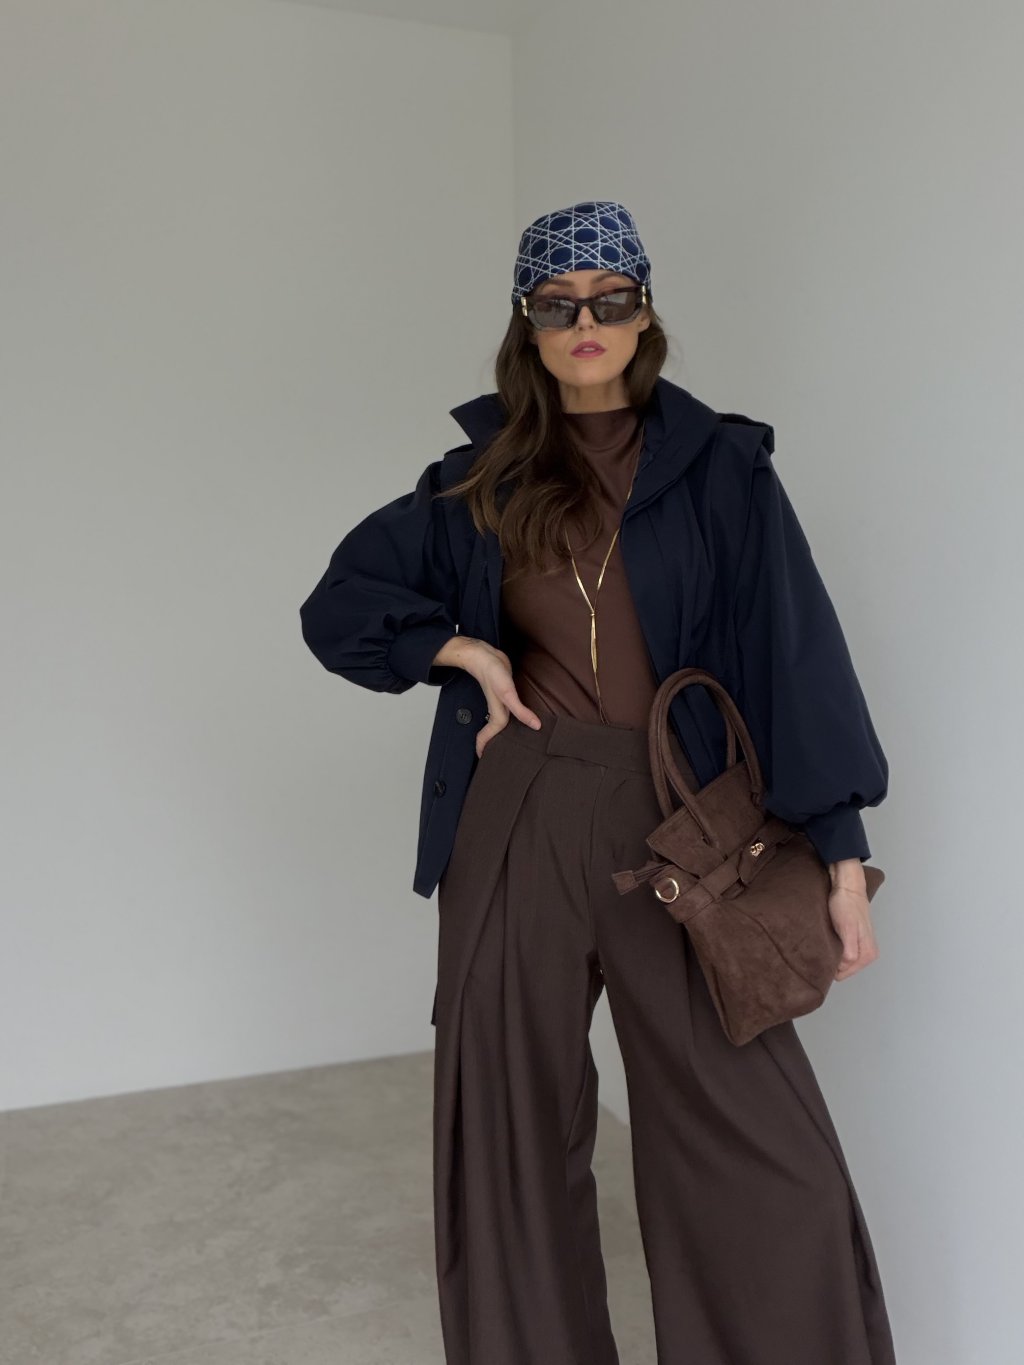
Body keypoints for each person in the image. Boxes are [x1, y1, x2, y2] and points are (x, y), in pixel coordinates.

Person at [299, 200, 897, 1365]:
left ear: (643, 314)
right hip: (517, 813)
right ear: (526, 323)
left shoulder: (722, 471)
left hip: (679, 821)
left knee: (755, 1145)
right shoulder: (477, 480)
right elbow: (342, 606)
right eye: (558, 302)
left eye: (610, 298)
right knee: (509, 1128)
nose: (586, 319)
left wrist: (839, 850)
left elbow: (796, 657)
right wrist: (459, 651)